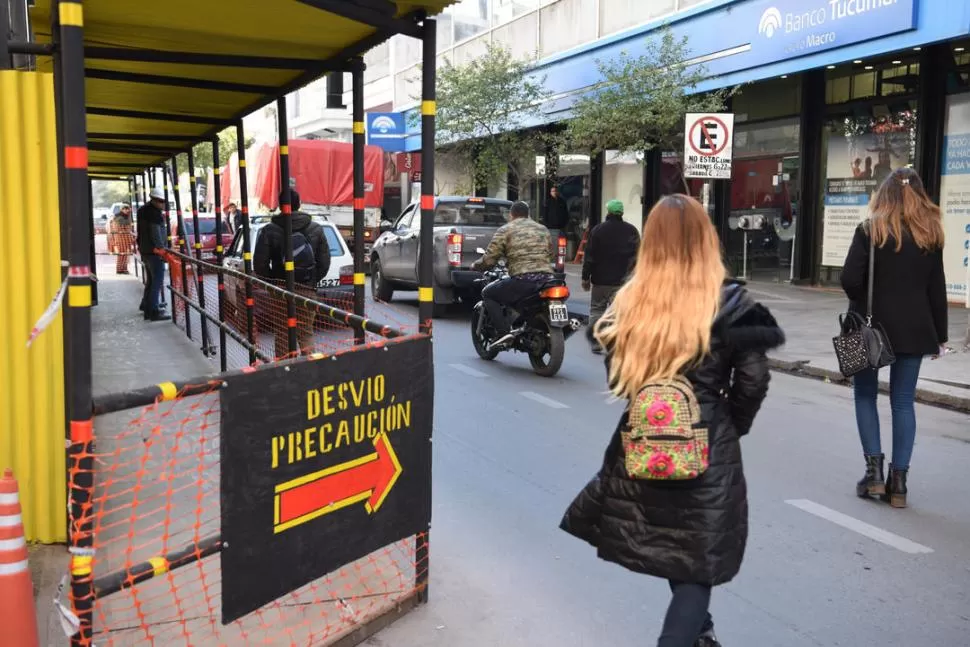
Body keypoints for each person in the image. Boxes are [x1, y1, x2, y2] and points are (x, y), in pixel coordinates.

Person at [560, 195, 785, 647]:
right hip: (707, 442)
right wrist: (727, 424)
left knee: (677, 546)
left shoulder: (631, 300)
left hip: (644, 439)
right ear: (706, 240)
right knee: (696, 563)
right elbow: (754, 379)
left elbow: (620, 379)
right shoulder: (729, 301)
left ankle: (700, 632)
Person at [840, 167, 947, 509]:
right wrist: (940, 335)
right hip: (916, 329)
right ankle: (898, 482)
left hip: (869, 328)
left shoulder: (869, 231)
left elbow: (849, 280)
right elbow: (937, 290)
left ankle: (873, 475)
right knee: (903, 402)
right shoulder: (931, 234)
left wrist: (870, 296)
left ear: (883, 196)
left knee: (865, 396)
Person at [253, 189, 331, 358]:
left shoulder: (269, 230)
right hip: (306, 290)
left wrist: (274, 283)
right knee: (306, 333)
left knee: (282, 333)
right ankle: (310, 371)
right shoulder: (316, 228)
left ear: (280, 206)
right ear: (299, 203)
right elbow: (324, 263)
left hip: (281, 291)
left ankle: (284, 372)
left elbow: (260, 264)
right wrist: (310, 281)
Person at [471, 201, 555, 339]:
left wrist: (476, 266)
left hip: (523, 279)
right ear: (528, 214)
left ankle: (503, 333)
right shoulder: (543, 229)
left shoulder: (505, 230)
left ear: (511, 215)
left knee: (488, 293)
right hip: (547, 279)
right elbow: (551, 253)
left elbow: (490, 259)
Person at [582, 199, 640, 354]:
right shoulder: (632, 231)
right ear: (621, 213)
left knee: (597, 310)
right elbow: (638, 256)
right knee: (619, 312)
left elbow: (589, 256)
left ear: (608, 212)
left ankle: (596, 342)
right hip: (623, 281)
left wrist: (585, 277)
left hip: (601, 280)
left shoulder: (598, 230)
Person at [137, 189, 170, 321]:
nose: (163, 204)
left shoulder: (143, 210)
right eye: (161, 202)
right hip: (154, 252)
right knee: (156, 281)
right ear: (155, 200)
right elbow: (156, 233)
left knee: (151, 281)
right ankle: (153, 311)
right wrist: (161, 249)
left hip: (145, 250)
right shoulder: (154, 214)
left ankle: (147, 305)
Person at [109, 203, 134, 274]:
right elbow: (125, 227)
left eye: (127, 209)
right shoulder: (119, 217)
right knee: (122, 254)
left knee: (125, 254)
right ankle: (120, 269)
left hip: (125, 238)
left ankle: (123, 268)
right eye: (124, 209)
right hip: (121, 238)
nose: (126, 210)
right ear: (121, 209)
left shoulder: (125, 216)